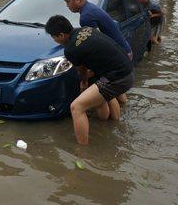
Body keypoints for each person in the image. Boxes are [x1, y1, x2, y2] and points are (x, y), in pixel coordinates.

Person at [45, 16, 134, 145]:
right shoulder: (86, 29)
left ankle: (82, 152)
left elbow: (82, 71)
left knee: (77, 107)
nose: (55, 41)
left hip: (118, 77)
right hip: (127, 69)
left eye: (54, 38)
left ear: (61, 35)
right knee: (106, 95)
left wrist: (84, 82)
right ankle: (114, 127)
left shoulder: (70, 49)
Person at [63, 0, 132, 104]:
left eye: (68, 2)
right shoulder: (90, 8)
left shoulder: (86, 17)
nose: (67, 6)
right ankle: (123, 114)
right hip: (124, 51)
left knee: (107, 92)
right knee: (117, 91)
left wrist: (86, 74)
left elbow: (95, 43)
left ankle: (112, 120)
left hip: (117, 57)